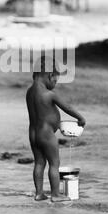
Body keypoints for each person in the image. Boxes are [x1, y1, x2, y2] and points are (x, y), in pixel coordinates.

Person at [26, 56, 86, 202]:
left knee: (39, 163)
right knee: (54, 163)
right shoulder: (49, 95)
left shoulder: (29, 93)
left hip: (33, 134)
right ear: (50, 75)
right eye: (55, 80)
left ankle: (39, 193)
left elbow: (42, 113)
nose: (55, 84)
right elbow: (68, 108)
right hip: (46, 135)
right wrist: (80, 118)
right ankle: (55, 194)